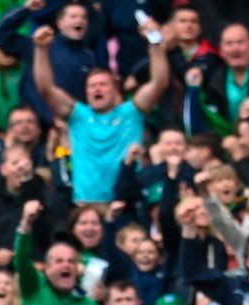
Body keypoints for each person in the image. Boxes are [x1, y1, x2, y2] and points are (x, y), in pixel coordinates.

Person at [32, 18, 168, 203]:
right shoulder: (78, 116)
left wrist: (155, 42)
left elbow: (159, 83)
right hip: (87, 206)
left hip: (125, 204)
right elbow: (45, 88)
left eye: (103, 85)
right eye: (91, 86)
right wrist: (41, 49)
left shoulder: (131, 112)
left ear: (115, 90)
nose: (96, 89)